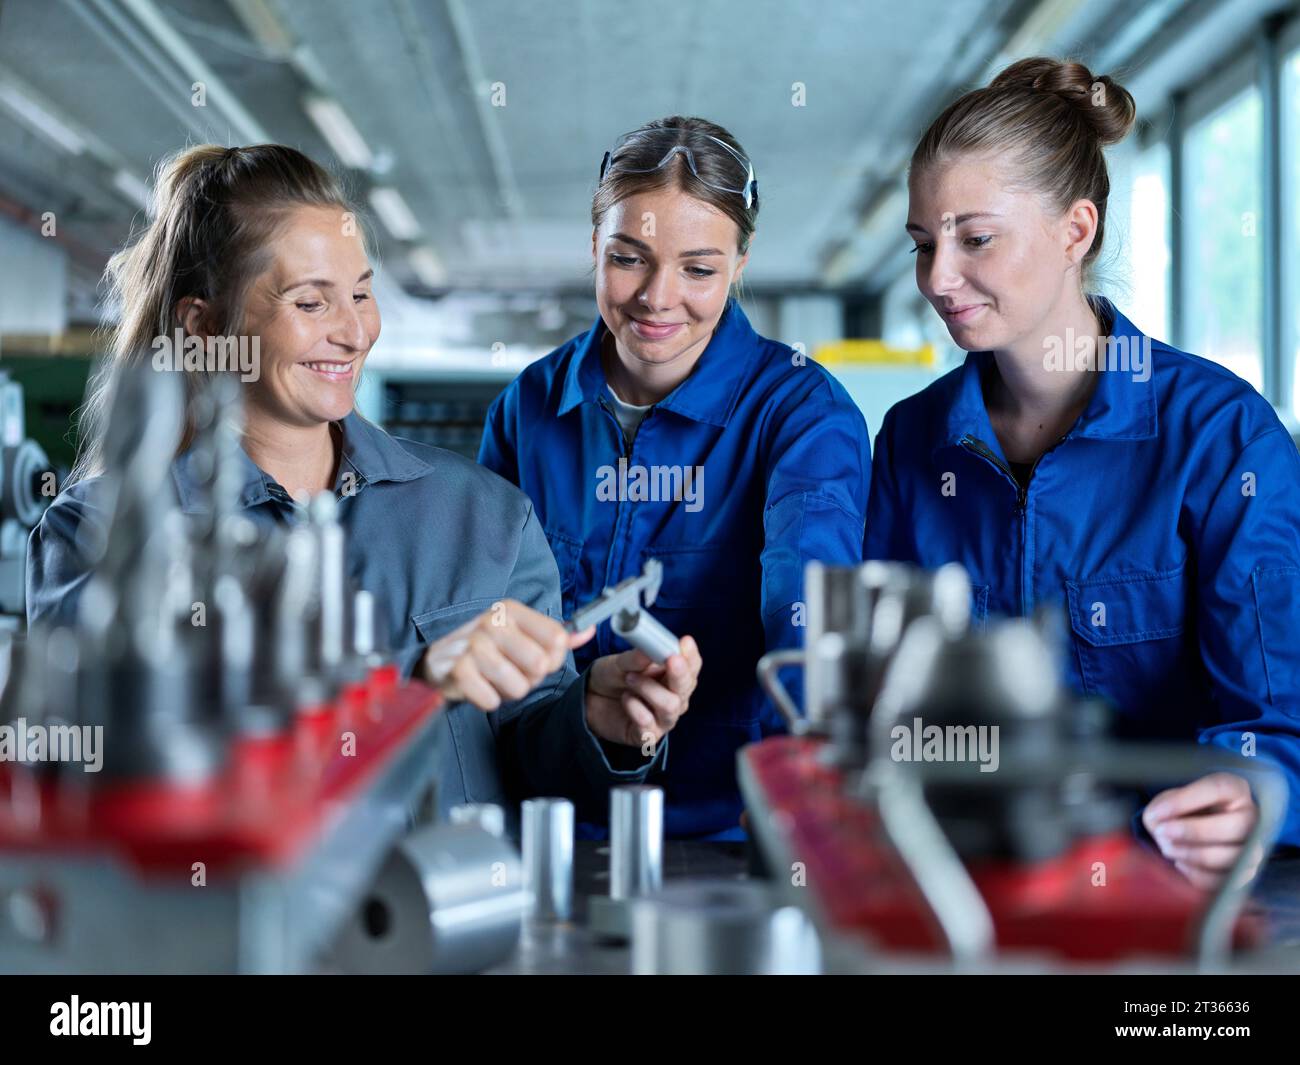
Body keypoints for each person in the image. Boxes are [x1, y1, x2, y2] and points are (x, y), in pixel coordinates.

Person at [27, 143, 700, 824]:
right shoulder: (102, 533)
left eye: (360, 293)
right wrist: (406, 683)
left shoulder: (486, 517)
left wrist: (594, 722)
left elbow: (529, 758)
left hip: (451, 918)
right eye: (312, 302)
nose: (354, 331)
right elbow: (106, 764)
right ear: (203, 326)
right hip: (230, 920)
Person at [865, 58, 1300, 883]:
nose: (937, 279)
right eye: (924, 245)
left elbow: (1281, 717)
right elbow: (879, 704)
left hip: (1163, 893)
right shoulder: (911, 442)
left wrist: (1259, 790)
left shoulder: (1219, 437)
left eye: (975, 238)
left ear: (1077, 230)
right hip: (958, 889)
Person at [479, 117, 871, 839]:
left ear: (740, 264)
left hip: (738, 834)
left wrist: (820, 738)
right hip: (557, 825)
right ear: (595, 246)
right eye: (630, 258)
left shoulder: (803, 413)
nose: (659, 298)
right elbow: (490, 625)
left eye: (698, 268)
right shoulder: (527, 410)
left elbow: (811, 601)